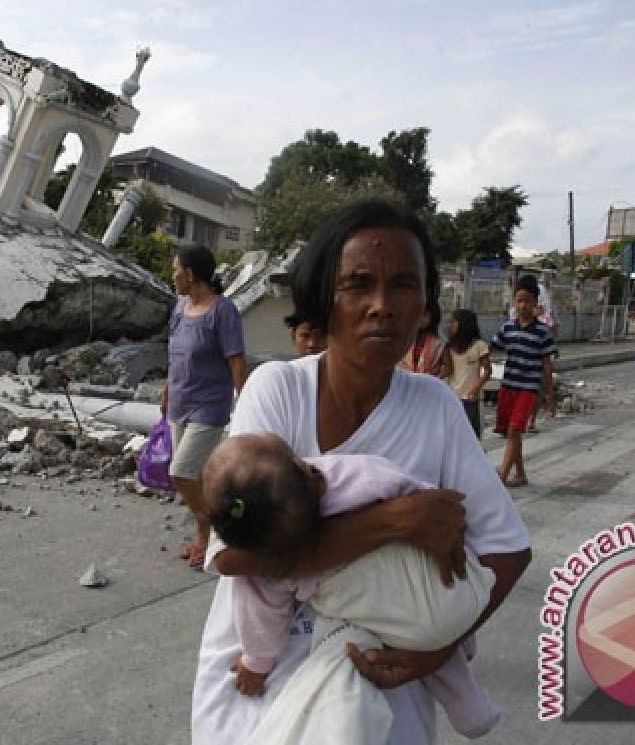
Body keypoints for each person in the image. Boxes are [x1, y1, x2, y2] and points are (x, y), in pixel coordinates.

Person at [191, 199, 531, 745]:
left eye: (403, 284)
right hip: (258, 675)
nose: (382, 306)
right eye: (357, 284)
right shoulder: (278, 390)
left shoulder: (435, 407)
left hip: (381, 685)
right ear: (324, 299)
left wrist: (441, 645)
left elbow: (508, 548)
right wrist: (396, 521)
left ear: (424, 304)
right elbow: (234, 554)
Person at [202, 434, 500, 742]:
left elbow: (261, 619)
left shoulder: (267, 567)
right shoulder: (354, 474)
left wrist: (257, 664)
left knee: (343, 631)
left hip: (386, 616)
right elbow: (412, 493)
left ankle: (465, 704)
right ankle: (471, 705)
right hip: (455, 586)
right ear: (311, 473)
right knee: (424, 615)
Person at [161, 243, 247, 569]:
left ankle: (210, 531)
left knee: (181, 472)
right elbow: (175, 353)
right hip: (179, 403)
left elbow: (236, 361)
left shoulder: (223, 311)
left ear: (190, 274)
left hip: (209, 407)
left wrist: (248, 404)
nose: (173, 277)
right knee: (197, 477)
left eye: (175, 270)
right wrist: (167, 390)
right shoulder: (179, 308)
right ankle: (207, 536)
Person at [491, 276, 556, 487]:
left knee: (514, 431)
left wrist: (549, 395)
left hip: (528, 390)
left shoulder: (543, 332)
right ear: (514, 302)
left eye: (527, 300)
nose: (522, 305)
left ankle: (501, 477)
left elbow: (547, 365)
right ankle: (520, 474)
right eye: (519, 300)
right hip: (508, 386)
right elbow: (490, 348)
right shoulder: (508, 328)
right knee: (512, 432)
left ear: (535, 303)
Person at [445, 310, 492, 438]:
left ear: (464, 324)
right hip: (453, 398)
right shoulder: (448, 347)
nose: (449, 325)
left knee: (472, 435)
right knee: (454, 434)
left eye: (453, 321)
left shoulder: (479, 345)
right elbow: (448, 370)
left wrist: (476, 387)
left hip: (471, 399)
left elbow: (488, 371)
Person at [398, 298, 450, 378]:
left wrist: (433, 379)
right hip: (404, 382)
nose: (419, 318)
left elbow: (448, 368)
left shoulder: (439, 344)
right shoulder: (403, 338)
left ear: (433, 317)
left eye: (424, 315)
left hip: (426, 384)